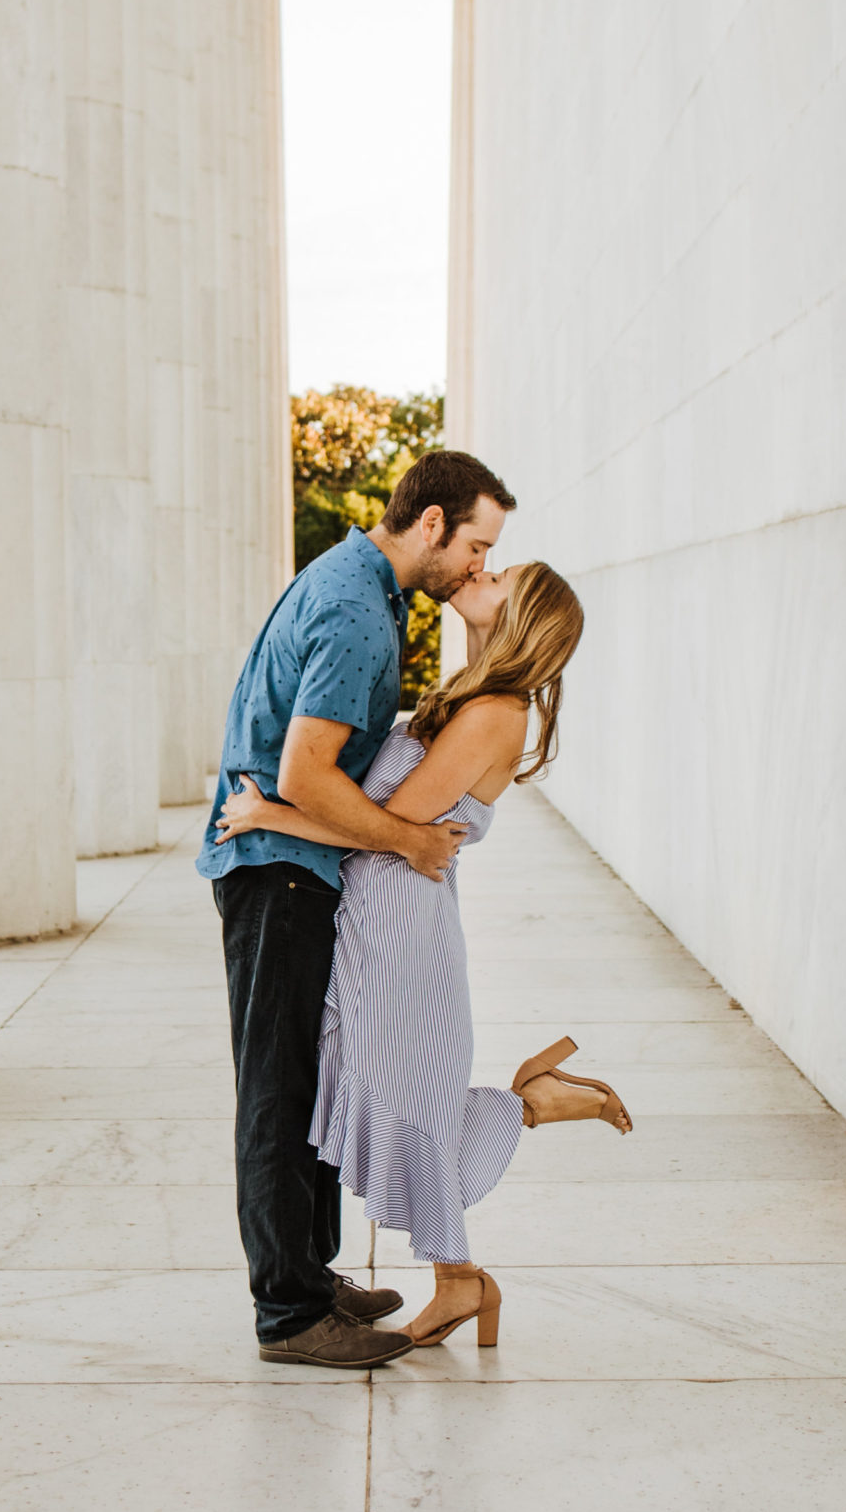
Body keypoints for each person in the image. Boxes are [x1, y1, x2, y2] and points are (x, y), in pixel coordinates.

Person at [216, 557, 632, 1350]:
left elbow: (389, 825)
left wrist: (269, 814)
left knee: (395, 1097)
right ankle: (463, 1270)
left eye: (501, 574)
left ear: (521, 617)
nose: (484, 569)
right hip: (382, 909)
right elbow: (399, 832)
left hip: (399, 925)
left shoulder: (495, 712)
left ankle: (520, 1132)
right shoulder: (471, 694)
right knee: (386, 1094)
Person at [199, 448, 518, 1367]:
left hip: (296, 863)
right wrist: (406, 841)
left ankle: (308, 1270)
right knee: (276, 1093)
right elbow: (304, 772)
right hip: (281, 868)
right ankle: (289, 1314)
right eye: (475, 545)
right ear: (431, 524)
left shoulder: (364, 590)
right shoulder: (355, 610)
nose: (475, 565)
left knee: (306, 1086)